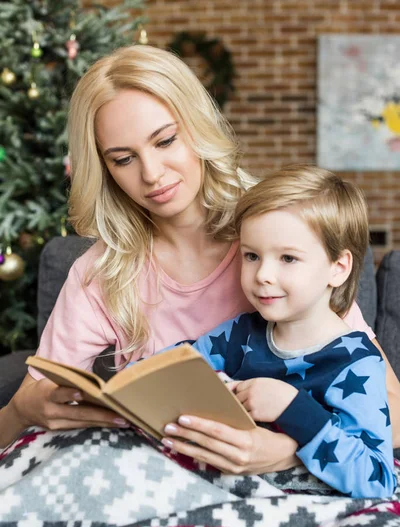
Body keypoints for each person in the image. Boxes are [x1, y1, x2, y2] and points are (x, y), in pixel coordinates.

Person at [1, 45, 399, 474]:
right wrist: (22, 409)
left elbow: (392, 413)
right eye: (123, 158)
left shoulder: (279, 239)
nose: (151, 173)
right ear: (105, 169)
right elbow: (18, 422)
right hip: (159, 482)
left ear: (197, 127)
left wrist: (287, 450)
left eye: (166, 140)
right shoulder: (100, 274)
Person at [158, 165, 396, 497]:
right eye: (252, 256)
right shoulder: (237, 335)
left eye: (287, 258)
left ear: (338, 268)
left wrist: (293, 408)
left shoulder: (356, 363)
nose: (262, 275)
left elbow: (378, 479)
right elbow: (171, 367)